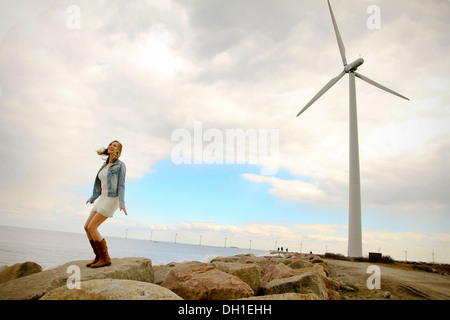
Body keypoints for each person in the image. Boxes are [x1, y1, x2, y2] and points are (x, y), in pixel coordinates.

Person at [84, 140, 127, 268]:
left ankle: (105, 258)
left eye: (115, 146)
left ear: (118, 150)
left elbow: (121, 185)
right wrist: (93, 196)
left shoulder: (120, 165)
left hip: (112, 198)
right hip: (102, 198)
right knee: (87, 227)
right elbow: (98, 184)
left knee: (92, 227)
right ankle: (98, 256)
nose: (111, 147)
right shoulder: (104, 165)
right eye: (110, 144)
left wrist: (122, 202)